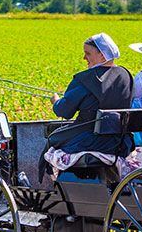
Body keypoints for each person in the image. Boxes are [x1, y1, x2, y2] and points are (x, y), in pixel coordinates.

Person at [43, 33, 135, 175]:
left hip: (89, 138)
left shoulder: (84, 79)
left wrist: (56, 102)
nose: (84, 58)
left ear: (103, 56)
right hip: (120, 141)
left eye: (88, 54)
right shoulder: (125, 75)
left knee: (52, 139)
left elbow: (64, 112)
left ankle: (52, 182)